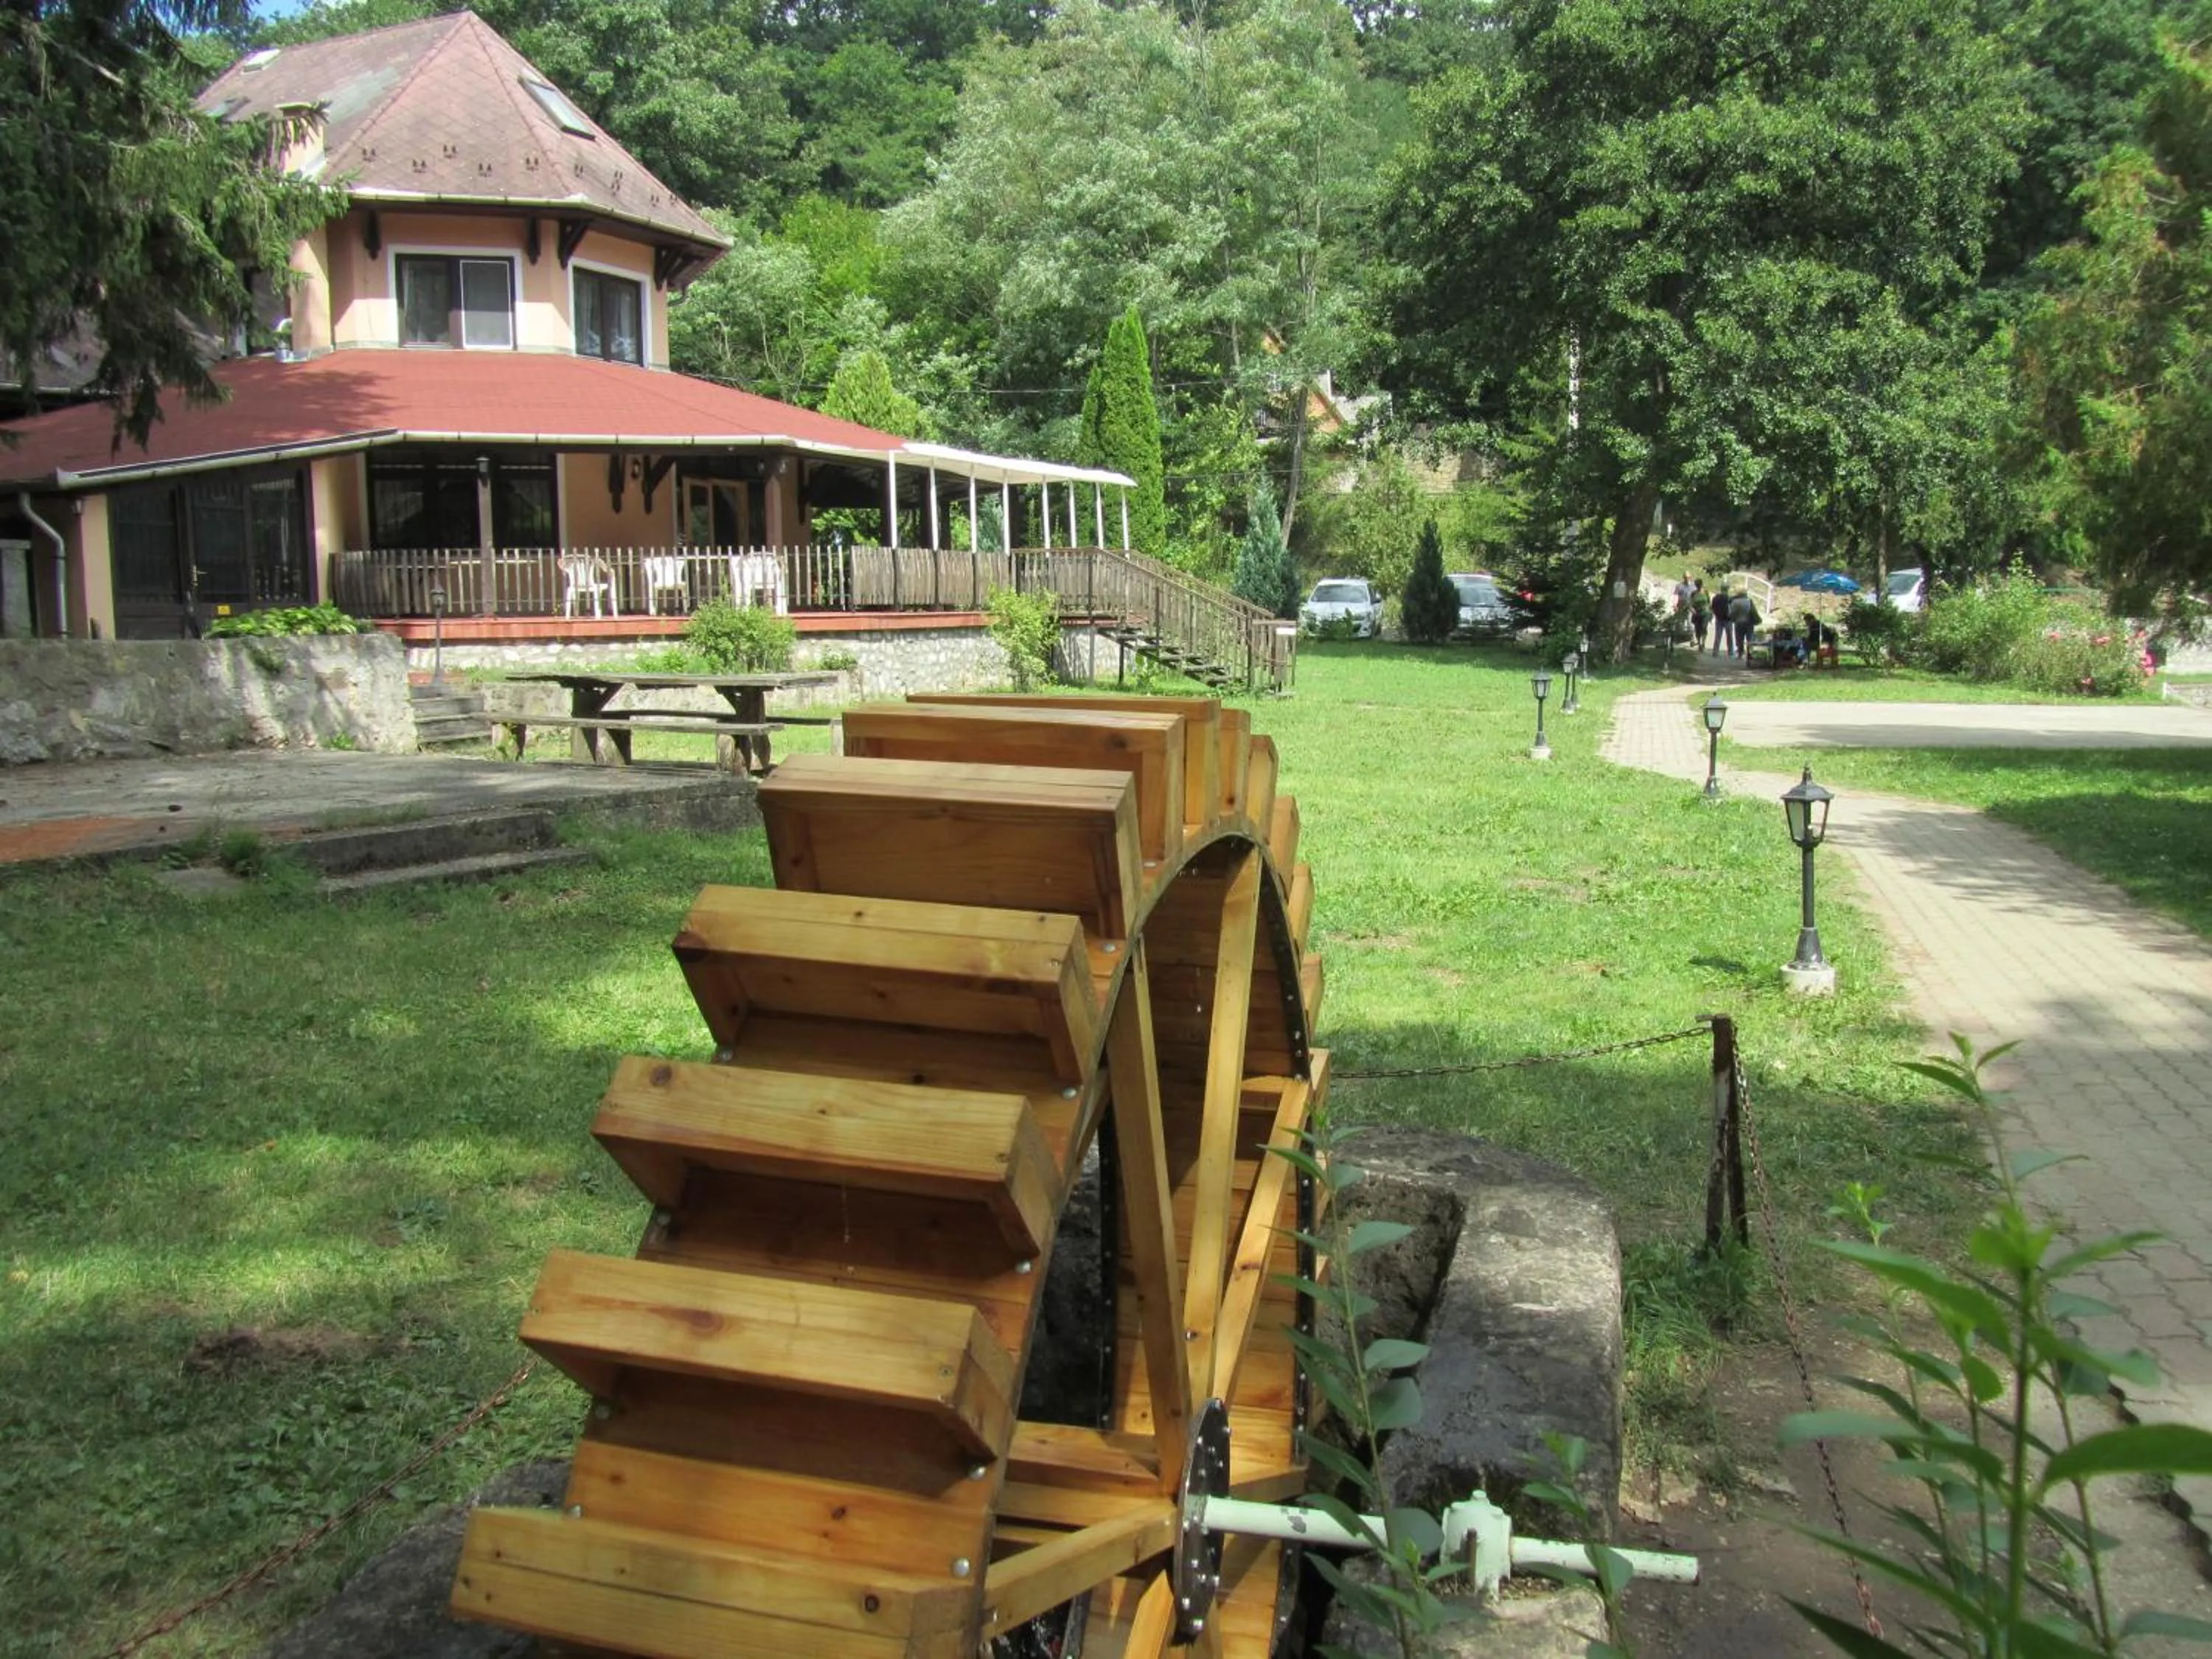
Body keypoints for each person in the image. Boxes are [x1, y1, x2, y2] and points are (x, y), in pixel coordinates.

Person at [1730, 589, 1759, 659]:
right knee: (1749, 638)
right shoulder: (1749, 601)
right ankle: (1750, 653)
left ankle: (1740, 653)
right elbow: (1754, 611)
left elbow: (1732, 613)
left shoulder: (1735, 602)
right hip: (1749, 622)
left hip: (1739, 622)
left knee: (1739, 638)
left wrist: (1732, 619)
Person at [1710, 588, 1733, 655]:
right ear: (1727, 590)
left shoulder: (1716, 598)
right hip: (1728, 619)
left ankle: (1715, 652)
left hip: (1719, 619)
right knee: (1729, 636)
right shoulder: (1729, 598)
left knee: (1718, 636)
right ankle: (1730, 652)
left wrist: (1715, 614)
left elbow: (1712, 608)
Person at [1689, 582, 1711, 651]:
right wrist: (1692, 610)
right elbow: (1690, 604)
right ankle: (1699, 643)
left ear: (1702, 585)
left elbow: (1709, 602)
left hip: (1705, 613)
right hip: (1697, 613)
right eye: (1697, 585)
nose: (1698, 587)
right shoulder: (1694, 593)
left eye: (1699, 585)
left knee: (1704, 628)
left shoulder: (1706, 592)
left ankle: (1703, 644)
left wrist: (1709, 609)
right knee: (1697, 630)